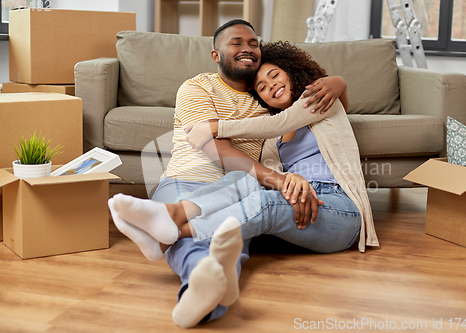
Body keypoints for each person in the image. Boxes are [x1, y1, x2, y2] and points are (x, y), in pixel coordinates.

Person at [109, 38, 379, 328]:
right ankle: (174, 221)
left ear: (291, 70)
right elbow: (274, 158)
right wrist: (291, 179)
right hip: (303, 205)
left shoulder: (320, 99)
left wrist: (214, 127)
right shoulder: (272, 143)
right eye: (262, 87)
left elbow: (280, 122)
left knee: (264, 205)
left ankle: (168, 231)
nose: (270, 86)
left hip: (341, 208)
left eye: (274, 75)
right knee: (241, 178)